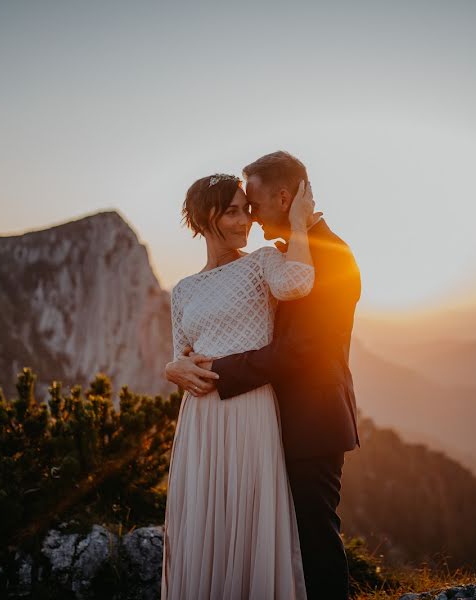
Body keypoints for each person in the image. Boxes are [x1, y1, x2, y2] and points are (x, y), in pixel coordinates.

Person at [166, 151, 361, 599]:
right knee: (238, 528)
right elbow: (184, 349)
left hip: (309, 419)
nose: (250, 218)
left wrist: (216, 372)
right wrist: (173, 366)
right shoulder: (271, 256)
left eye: (251, 205)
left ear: (285, 198)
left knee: (311, 539)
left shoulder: (329, 257)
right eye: (238, 208)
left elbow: (303, 351)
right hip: (252, 418)